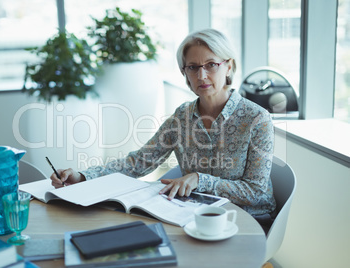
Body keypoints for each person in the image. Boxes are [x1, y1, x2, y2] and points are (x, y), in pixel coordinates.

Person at [50, 28, 276, 229]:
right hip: (193, 216)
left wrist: (200, 179)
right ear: (184, 73)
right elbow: (139, 162)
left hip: (249, 221)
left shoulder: (257, 118)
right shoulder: (182, 116)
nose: (202, 75)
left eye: (211, 65)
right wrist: (82, 176)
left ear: (229, 66)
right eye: (193, 67)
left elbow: (255, 191)